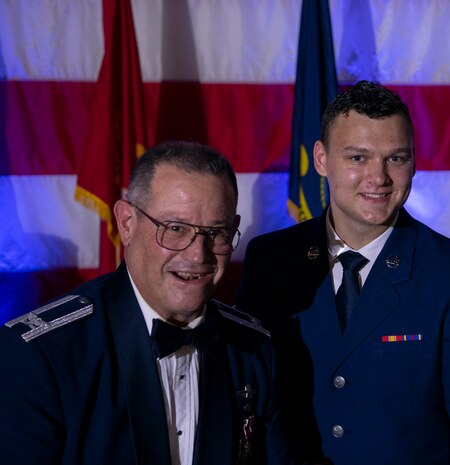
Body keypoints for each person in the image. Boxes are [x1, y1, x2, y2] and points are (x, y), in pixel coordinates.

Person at [236, 80, 450, 465]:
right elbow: (245, 403)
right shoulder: (271, 261)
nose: (379, 177)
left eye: (396, 158)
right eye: (358, 158)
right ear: (321, 159)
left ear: (414, 161)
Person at [0, 141, 296, 465]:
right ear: (126, 223)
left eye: (215, 233)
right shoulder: (42, 356)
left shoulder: (254, 350)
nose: (198, 255)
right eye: (175, 228)